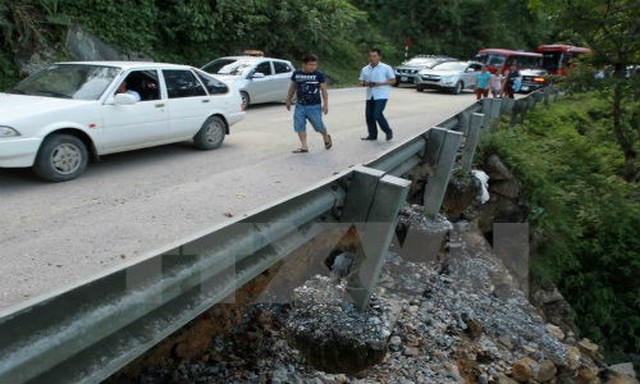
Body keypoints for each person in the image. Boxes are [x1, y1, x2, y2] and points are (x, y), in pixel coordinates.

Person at [286, 53, 332, 153]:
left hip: (314, 106)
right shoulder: (297, 74)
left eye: (315, 65)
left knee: (318, 126)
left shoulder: (318, 75)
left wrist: (326, 104)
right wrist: (288, 99)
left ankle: (325, 136)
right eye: (311, 65)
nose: (313, 67)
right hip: (300, 105)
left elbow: (324, 90)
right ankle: (304, 146)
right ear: (304, 64)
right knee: (299, 125)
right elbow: (293, 87)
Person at [359, 48, 396, 141]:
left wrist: (381, 83)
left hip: (381, 95)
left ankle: (388, 131)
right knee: (369, 116)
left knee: (377, 114)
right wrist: (366, 83)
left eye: (374, 56)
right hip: (370, 95)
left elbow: (393, 80)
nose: (372, 58)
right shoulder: (365, 69)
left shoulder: (386, 68)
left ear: (379, 57)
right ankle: (372, 135)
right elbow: (361, 81)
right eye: (370, 56)